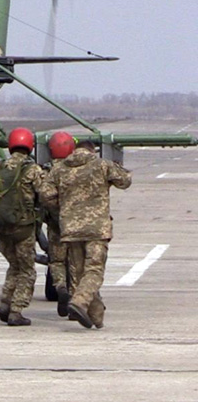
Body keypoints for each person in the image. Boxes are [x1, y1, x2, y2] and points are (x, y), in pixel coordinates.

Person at [39, 140, 132, 329]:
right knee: (95, 271)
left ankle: (96, 317)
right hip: (97, 228)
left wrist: (65, 208)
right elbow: (125, 181)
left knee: (81, 273)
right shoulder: (102, 164)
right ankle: (79, 302)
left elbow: (45, 195)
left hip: (71, 228)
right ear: (92, 150)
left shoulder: (59, 169)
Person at [0, 127, 44, 327]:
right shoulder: (32, 169)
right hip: (22, 228)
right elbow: (45, 195)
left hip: (0, 227)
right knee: (27, 270)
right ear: (29, 146)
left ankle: (5, 303)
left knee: (14, 266)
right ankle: (16, 310)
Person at [43, 131, 76, 317]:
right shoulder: (78, 170)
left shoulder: (48, 171)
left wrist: (55, 214)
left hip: (55, 225)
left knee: (56, 260)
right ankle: (74, 298)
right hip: (75, 224)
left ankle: (61, 287)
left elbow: (44, 196)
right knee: (75, 260)